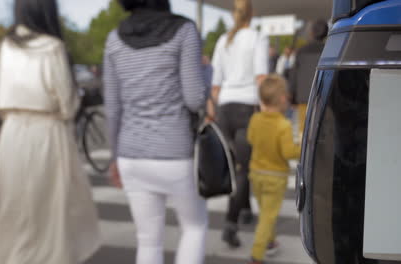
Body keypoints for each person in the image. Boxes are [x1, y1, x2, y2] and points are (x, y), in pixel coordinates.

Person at [0, 0, 100, 263]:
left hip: (12, 132)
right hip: (48, 130)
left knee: (13, 208)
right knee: (50, 211)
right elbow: (67, 104)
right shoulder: (53, 48)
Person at [104, 0, 209, 263]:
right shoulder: (184, 30)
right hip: (175, 152)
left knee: (148, 241)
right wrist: (206, 76)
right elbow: (194, 98)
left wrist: (114, 157)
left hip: (131, 154)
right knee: (194, 228)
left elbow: (112, 108)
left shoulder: (114, 38)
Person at [209, 0, 269, 248]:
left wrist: (211, 110)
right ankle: (230, 223)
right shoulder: (257, 38)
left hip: (224, 108)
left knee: (233, 166)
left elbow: (215, 83)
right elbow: (261, 77)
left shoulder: (223, 40)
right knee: (244, 168)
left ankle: (244, 210)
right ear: (251, 14)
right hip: (247, 108)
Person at [246, 75, 301, 264]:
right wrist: (303, 147)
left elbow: (251, 139)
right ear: (283, 99)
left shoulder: (255, 119)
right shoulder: (283, 125)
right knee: (267, 217)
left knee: (265, 212)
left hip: (256, 174)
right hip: (275, 177)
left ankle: (270, 242)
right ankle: (256, 255)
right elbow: (288, 152)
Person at [289, 19, 328, 135]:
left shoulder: (300, 52)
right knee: (323, 133)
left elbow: (294, 75)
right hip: (324, 98)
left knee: (304, 133)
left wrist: (292, 97)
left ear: (311, 33)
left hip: (304, 99)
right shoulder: (329, 50)